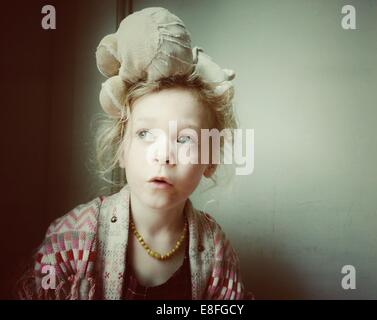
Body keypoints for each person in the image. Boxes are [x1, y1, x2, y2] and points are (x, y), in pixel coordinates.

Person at [16, 7, 252, 300]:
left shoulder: (215, 250)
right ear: (122, 150)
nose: (163, 155)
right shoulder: (70, 238)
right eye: (145, 134)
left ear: (210, 160)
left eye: (185, 139)